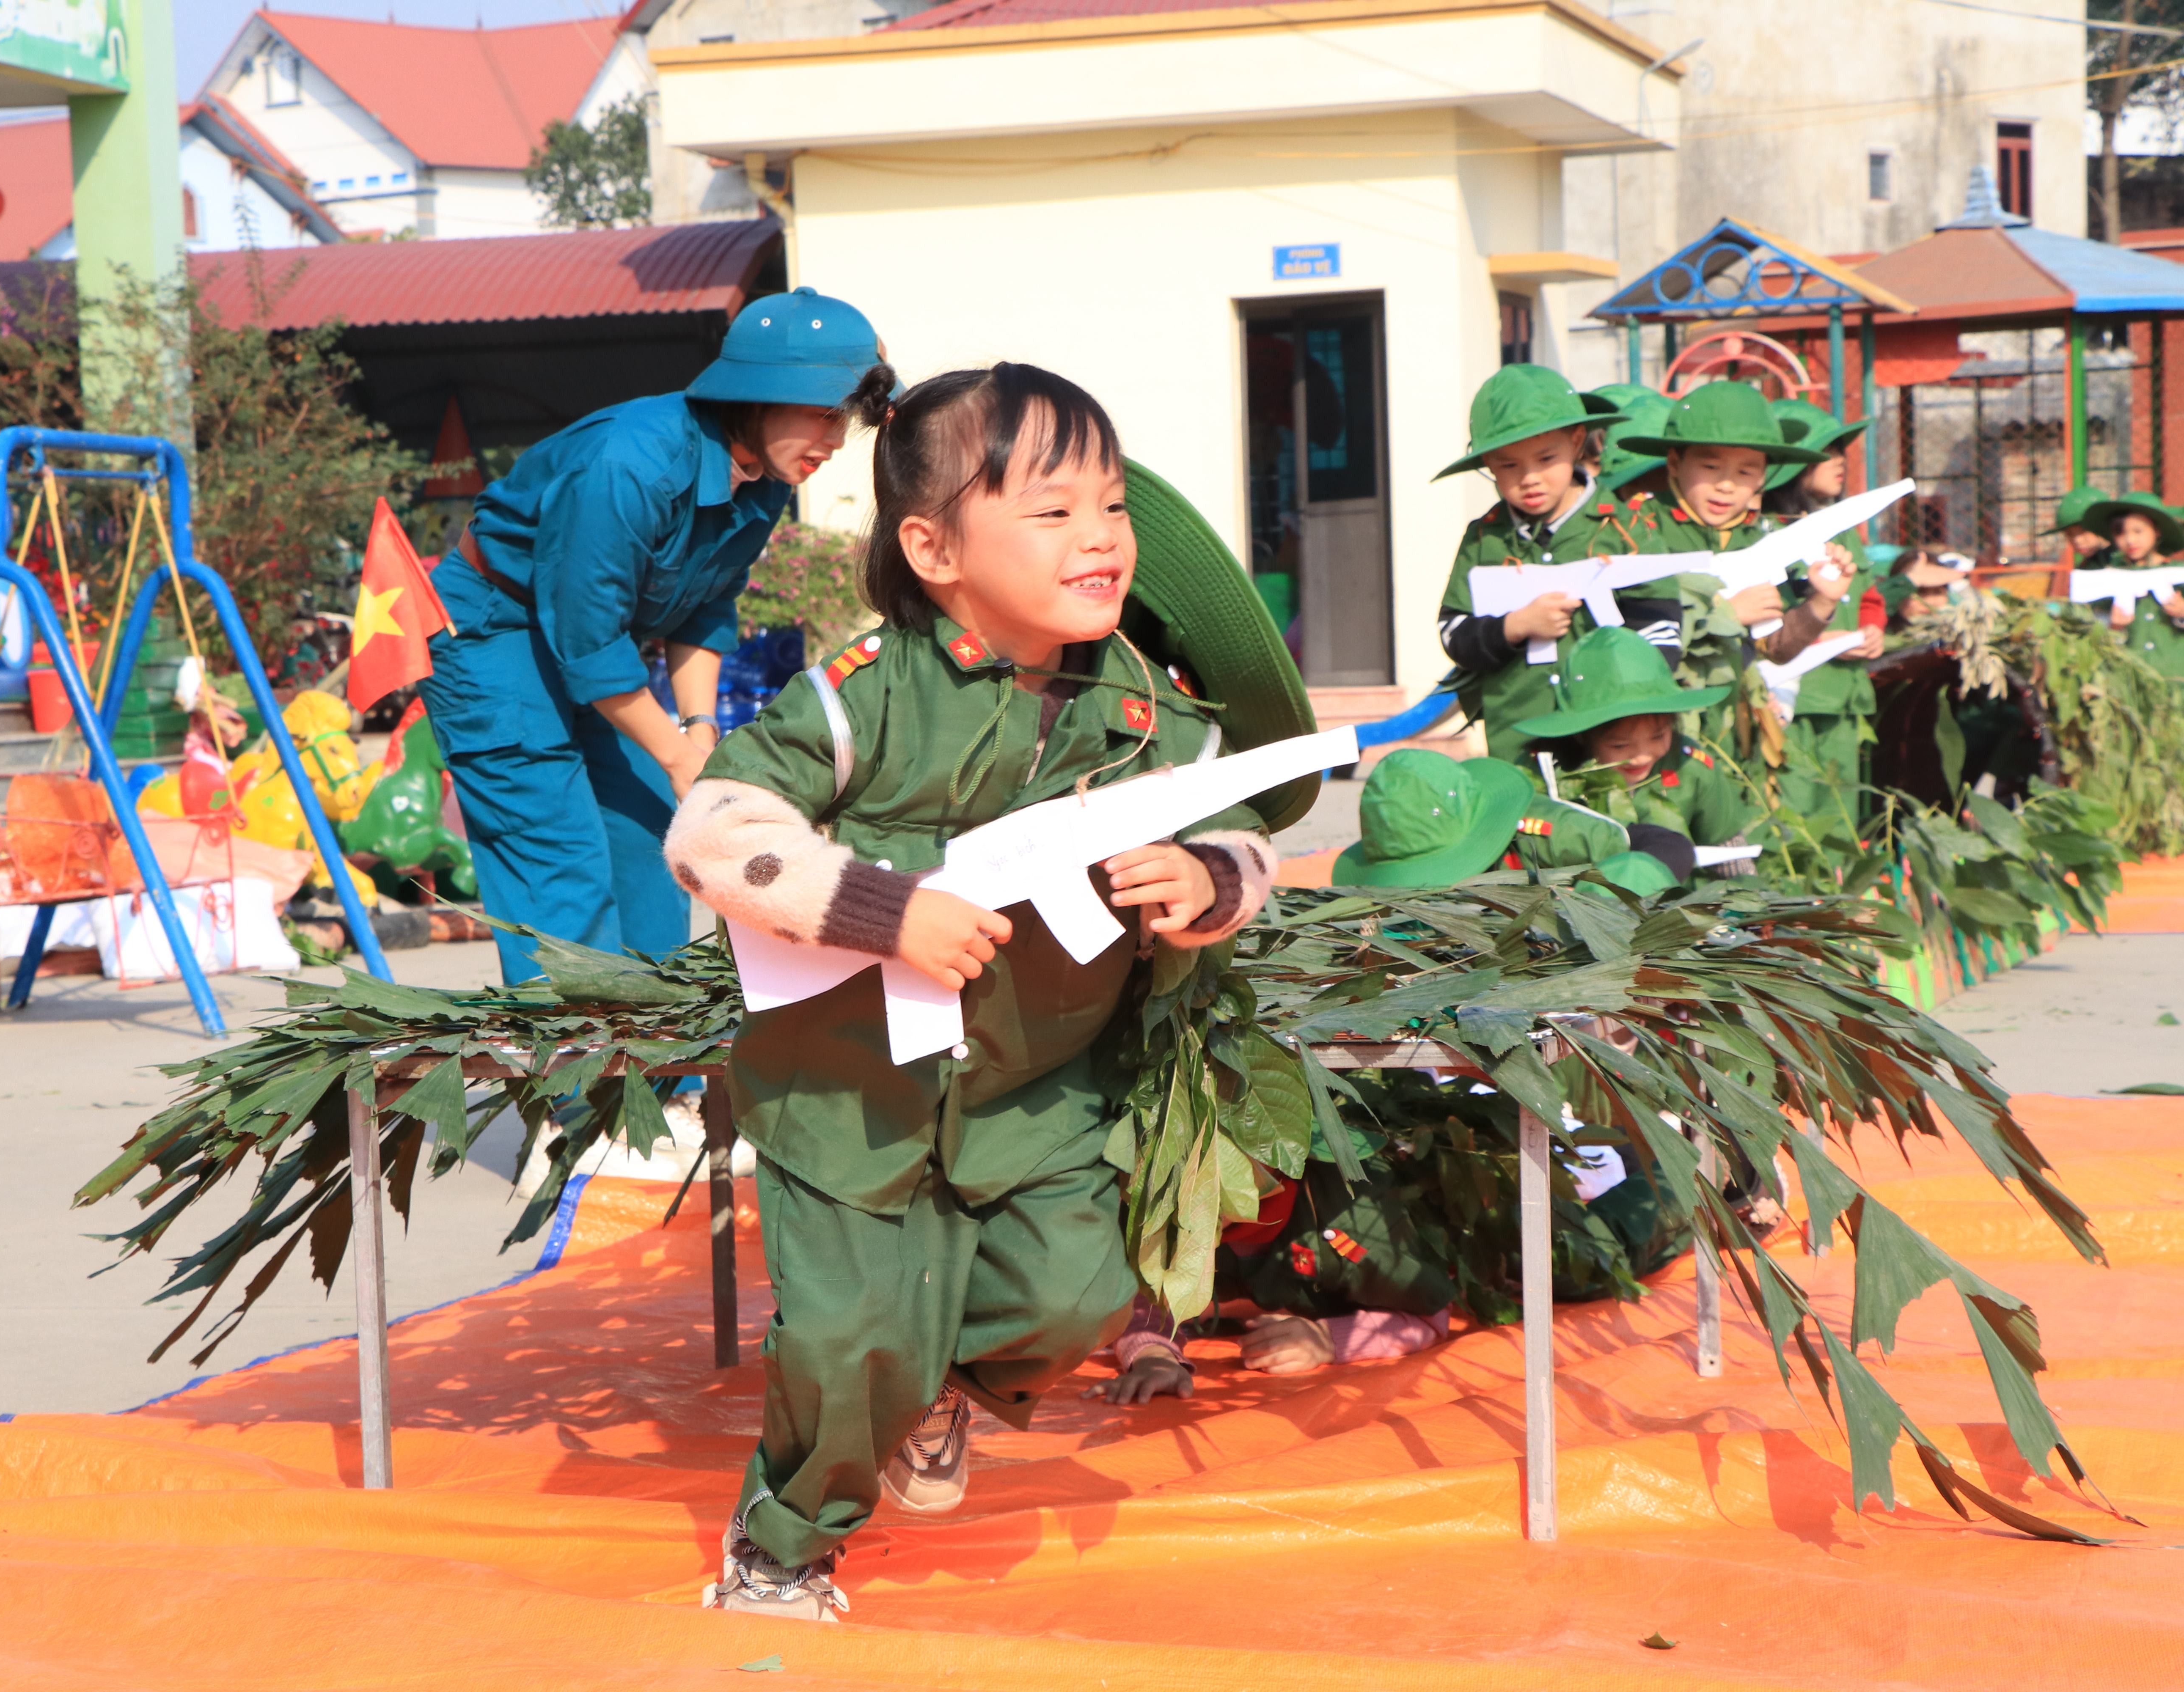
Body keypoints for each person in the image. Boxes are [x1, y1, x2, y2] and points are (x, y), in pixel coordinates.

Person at [668, 365, 1296, 1622]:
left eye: (1111, 508)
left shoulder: (1140, 709)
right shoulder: (860, 698)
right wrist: (879, 910)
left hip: (1038, 1090)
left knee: (1070, 1297)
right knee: (849, 1343)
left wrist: (1206, 879)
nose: (1102, 540)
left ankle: (943, 1391)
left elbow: (1253, 844)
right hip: (850, 1097)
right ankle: (783, 1546)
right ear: (932, 547)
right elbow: (714, 825)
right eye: (1053, 511)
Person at [1098, 753, 1694, 1407]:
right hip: (1442, 1113)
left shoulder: (1551, 845)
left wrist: (1336, 1338)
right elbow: (1158, 1284)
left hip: (1504, 1124)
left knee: (1575, 1257)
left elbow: (1647, 859)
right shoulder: (1198, 1202)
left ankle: (1705, 1177)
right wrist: (1153, 1350)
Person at [422, 288, 894, 985]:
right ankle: (580, 1089)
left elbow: (706, 607)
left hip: (595, 646)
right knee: (562, 857)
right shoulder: (628, 463)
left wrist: (697, 729)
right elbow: (586, 640)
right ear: (757, 396)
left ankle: (658, 1070)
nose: (836, 438)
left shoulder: (766, 476)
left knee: (656, 838)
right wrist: (678, 759)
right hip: (497, 630)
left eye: (848, 417)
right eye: (825, 413)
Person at [1433, 365, 1677, 767]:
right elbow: (1452, 632)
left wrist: (1633, 703)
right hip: (1518, 742)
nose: (1530, 478)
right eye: (1509, 466)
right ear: (1489, 465)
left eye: (1546, 458)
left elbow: (1662, 625)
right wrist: (1515, 626)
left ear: (1577, 443)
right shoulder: (1484, 539)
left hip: (1615, 747)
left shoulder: (1627, 529)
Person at [1603, 382, 1855, 744]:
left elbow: (1776, 648)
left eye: (1745, 472)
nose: (1726, 486)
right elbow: (1623, 643)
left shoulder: (1756, 539)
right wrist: (1723, 616)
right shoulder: (1636, 531)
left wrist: (1822, 603)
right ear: (1675, 463)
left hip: (1733, 739)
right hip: (1653, 737)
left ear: (1764, 476)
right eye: (1710, 466)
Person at [1760, 398, 1884, 836]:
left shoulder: (1844, 525)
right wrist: (1824, 639)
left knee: (1841, 825)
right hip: (1795, 703)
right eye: (1826, 453)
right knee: (1793, 827)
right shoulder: (1768, 533)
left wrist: (1873, 632)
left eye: (1841, 452)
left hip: (1845, 702)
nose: (1840, 463)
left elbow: (1869, 596)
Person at [1516, 626, 1753, 851]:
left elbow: (1728, 849)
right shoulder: (1550, 781)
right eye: (1620, 745)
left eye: (1658, 736)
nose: (1642, 756)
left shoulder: (1691, 767)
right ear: (1582, 736)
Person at [2083, 490, 2184, 681]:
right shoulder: (2106, 580)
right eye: (2121, 533)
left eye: (2138, 532)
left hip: (2177, 679)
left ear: (2157, 531)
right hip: (2132, 683)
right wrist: (2115, 628)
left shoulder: (2179, 575)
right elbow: (2096, 642)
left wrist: (2182, 613)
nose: (2130, 541)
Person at [2049, 487, 2110, 562]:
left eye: (2084, 531)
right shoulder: (2087, 567)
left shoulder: (2122, 563)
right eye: (2070, 534)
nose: (2078, 540)